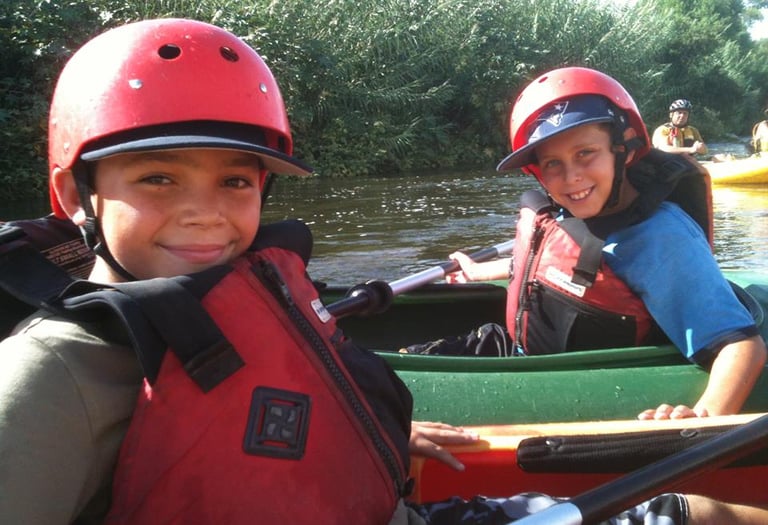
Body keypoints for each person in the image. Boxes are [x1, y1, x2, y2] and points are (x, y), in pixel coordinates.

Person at [0, 20, 766, 525]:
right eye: (159, 179)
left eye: (234, 180)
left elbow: (733, 340)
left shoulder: (658, 239)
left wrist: (361, 428)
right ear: (74, 194)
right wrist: (486, 267)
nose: (204, 213)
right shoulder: (53, 377)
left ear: (624, 148)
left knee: (698, 511)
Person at [441, 67, 766, 423]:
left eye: (585, 153)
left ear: (623, 149)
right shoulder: (570, 211)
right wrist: (478, 271)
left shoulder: (660, 239)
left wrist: (705, 416)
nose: (571, 177)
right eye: (553, 163)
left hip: (571, 384)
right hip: (515, 351)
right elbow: (550, 262)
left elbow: (742, 345)